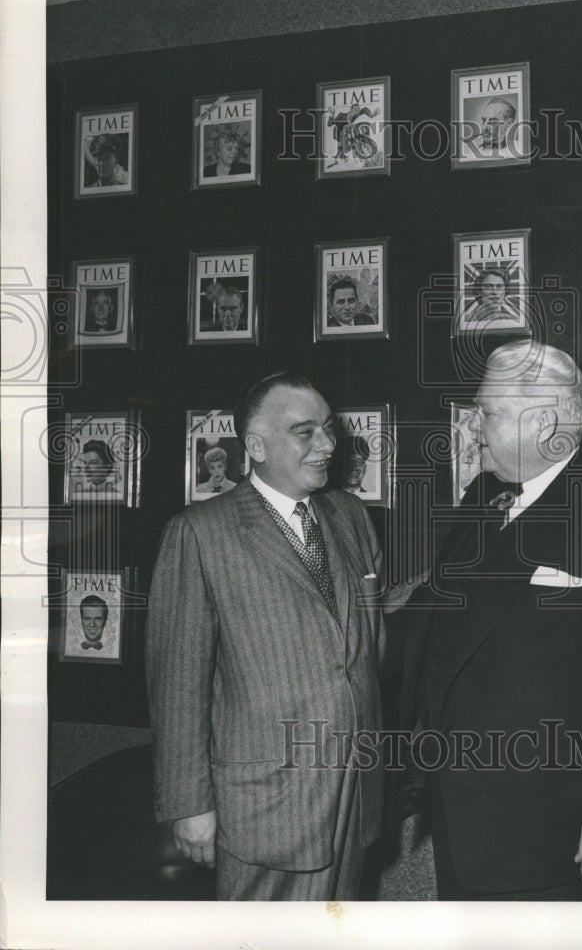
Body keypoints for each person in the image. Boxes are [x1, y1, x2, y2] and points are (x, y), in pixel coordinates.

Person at [400, 340, 582, 900]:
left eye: (488, 411)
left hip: (556, 827)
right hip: (460, 814)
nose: (473, 426)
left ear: (545, 422)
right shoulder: (481, 497)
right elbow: (435, 625)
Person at [146, 372, 386, 900]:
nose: (327, 444)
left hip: (353, 788)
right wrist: (190, 804)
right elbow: (177, 684)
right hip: (265, 802)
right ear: (255, 446)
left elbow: (368, 645)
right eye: (306, 432)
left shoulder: (350, 515)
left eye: (327, 429)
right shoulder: (199, 533)